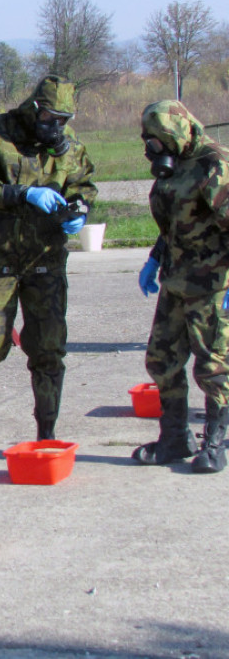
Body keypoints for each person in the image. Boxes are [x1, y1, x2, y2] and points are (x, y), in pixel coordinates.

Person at [0, 75, 98, 464]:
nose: (56, 127)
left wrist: (78, 211)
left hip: (45, 260)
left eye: (63, 119)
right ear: (34, 109)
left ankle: (47, 430)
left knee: (49, 348)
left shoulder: (69, 147)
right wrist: (23, 194)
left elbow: (83, 186)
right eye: (50, 118)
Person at [132, 100, 229, 473]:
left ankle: (216, 442)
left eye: (158, 139)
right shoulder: (172, 165)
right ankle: (174, 439)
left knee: (214, 366)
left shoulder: (214, 164)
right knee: (162, 360)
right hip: (175, 279)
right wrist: (155, 258)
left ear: (178, 131)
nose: (152, 148)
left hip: (211, 282)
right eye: (148, 140)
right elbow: (174, 223)